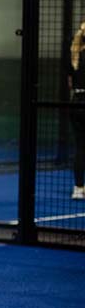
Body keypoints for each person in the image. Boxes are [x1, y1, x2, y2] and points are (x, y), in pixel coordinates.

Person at [69, 21, 85, 200]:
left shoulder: (74, 56)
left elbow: (70, 83)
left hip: (75, 103)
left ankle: (78, 188)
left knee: (80, 147)